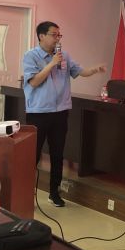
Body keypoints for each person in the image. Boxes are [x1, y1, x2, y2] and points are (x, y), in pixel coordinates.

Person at [22, 21, 105, 207]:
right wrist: (52, 64)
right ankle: (26, 194)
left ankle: (54, 193)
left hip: (60, 112)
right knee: (32, 155)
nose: (57, 38)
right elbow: (34, 82)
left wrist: (94, 70)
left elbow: (80, 71)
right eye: (54, 35)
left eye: (59, 35)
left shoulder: (64, 56)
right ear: (41, 36)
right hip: (38, 113)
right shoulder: (31, 56)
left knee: (58, 154)